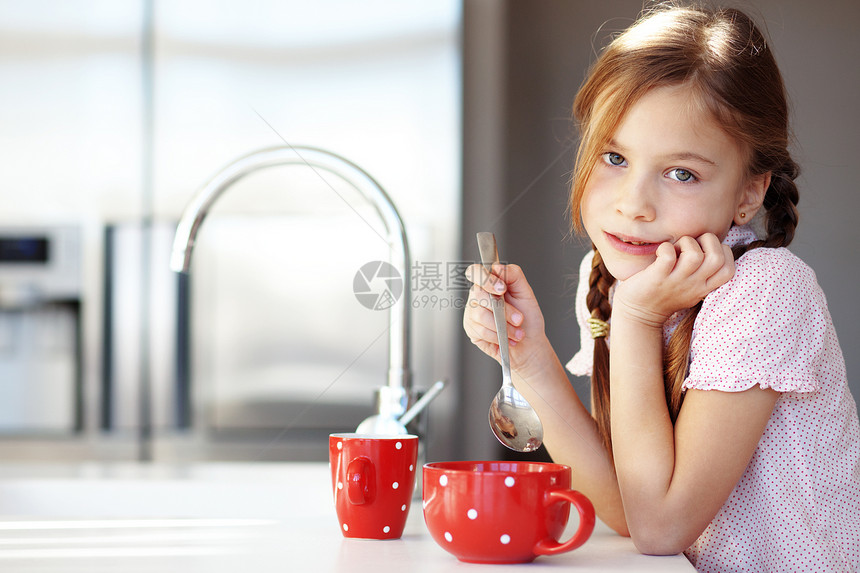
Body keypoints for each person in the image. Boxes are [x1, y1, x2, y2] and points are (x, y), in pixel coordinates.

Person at [463, 4, 860, 572]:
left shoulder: (766, 291)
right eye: (614, 157)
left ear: (750, 193)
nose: (633, 205)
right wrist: (528, 362)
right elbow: (627, 504)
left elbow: (658, 527)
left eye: (682, 174)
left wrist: (635, 320)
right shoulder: (617, 277)